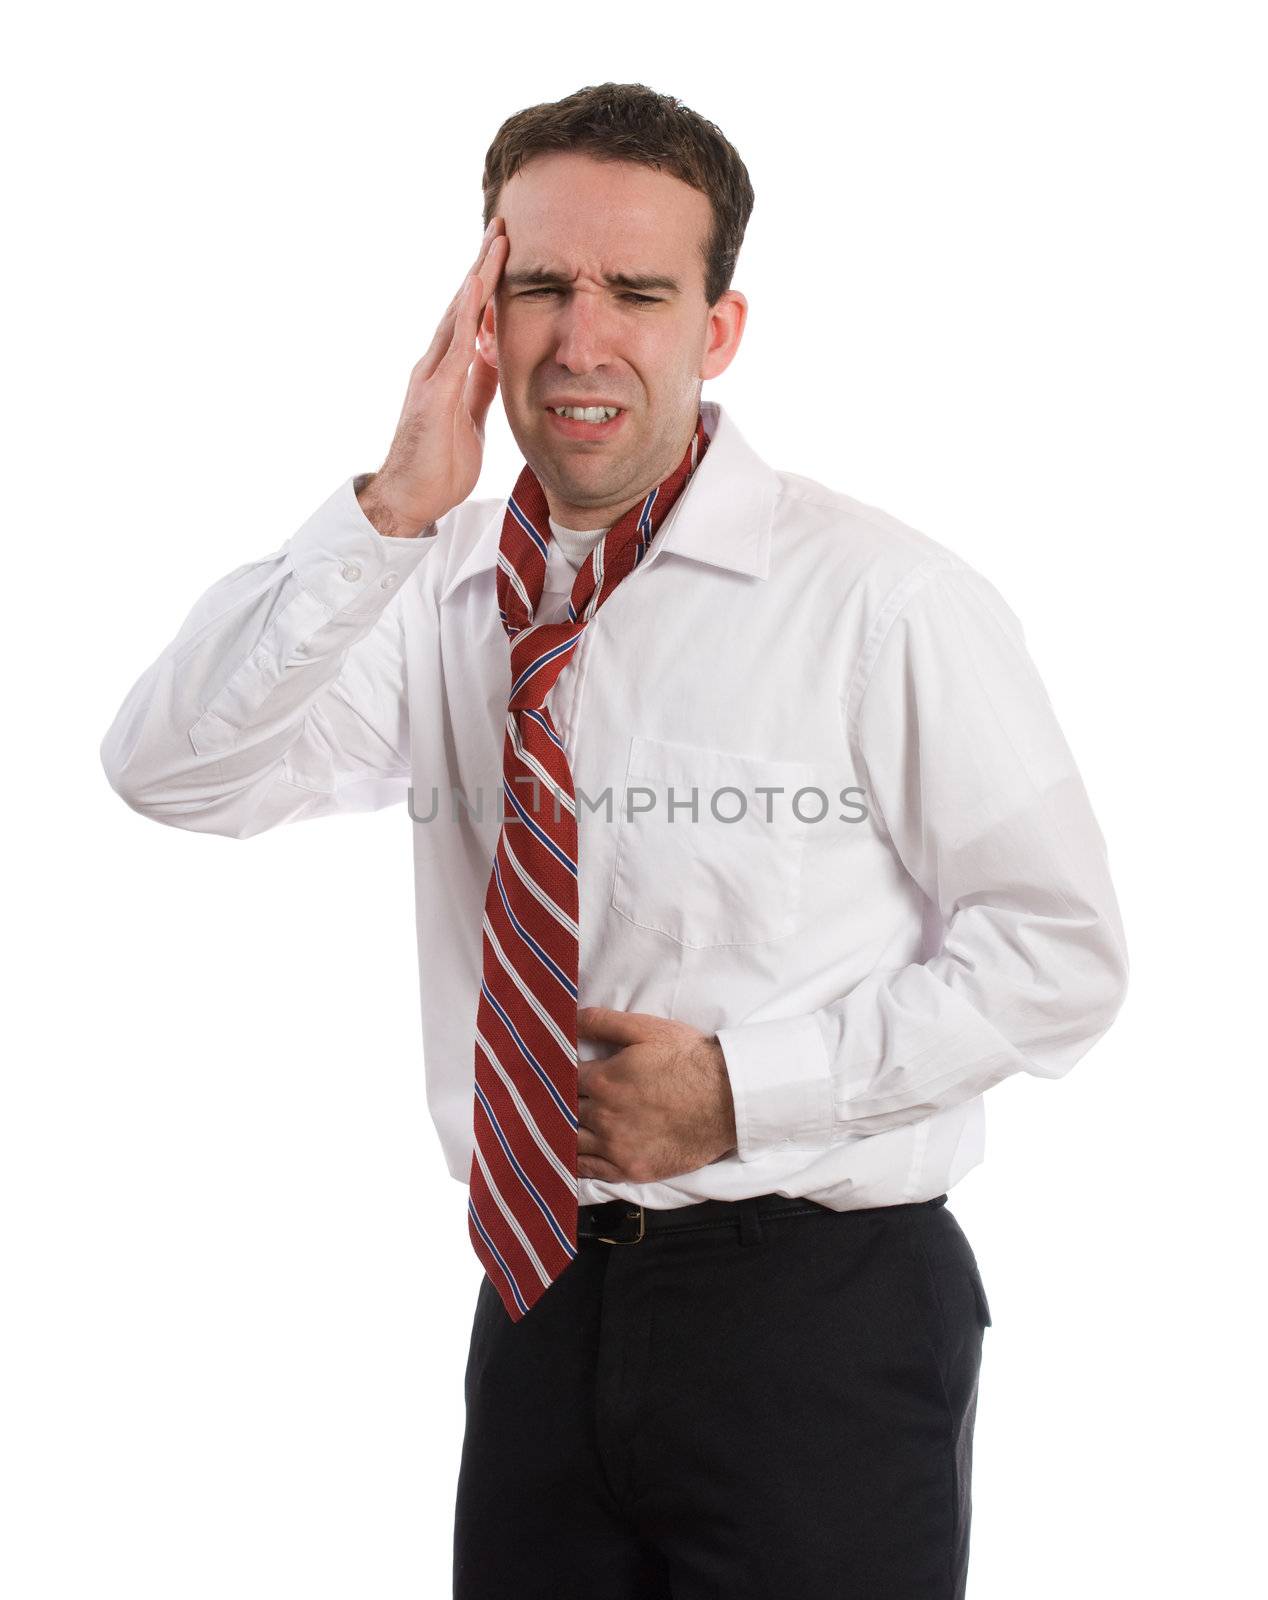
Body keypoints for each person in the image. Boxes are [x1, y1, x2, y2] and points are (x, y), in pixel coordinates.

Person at [100, 81, 1129, 1600]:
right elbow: (169, 770)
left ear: (716, 330)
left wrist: (740, 1093)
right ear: (478, 314)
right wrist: (389, 507)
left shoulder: (881, 600)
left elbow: (1064, 958)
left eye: (637, 293)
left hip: (820, 1322)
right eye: (538, 289)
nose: (580, 343)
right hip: (535, 1301)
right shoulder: (433, 591)